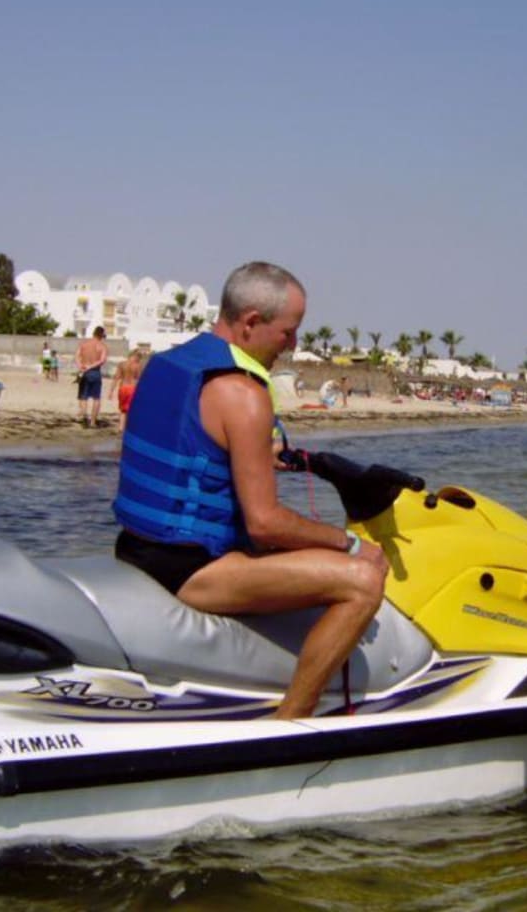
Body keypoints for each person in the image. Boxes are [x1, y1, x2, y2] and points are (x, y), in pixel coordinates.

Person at [111, 261, 388, 719]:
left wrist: (252, 454)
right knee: (363, 581)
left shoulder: (165, 365)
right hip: (190, 568)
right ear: (251, 322)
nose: (292, 345)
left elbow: (188, 445)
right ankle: (292, 721)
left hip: (136, 546)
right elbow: (264, 524)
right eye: (288, 332)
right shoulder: (243, 393)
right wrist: (352, 544)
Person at [75, 326, 108, 427]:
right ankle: (93, 422)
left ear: (93, 333)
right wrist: (90, 366)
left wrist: (80, 365)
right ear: (101, 335)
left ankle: (84, 416)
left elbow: (77, 356)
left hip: (84, 372)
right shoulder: (102, 346)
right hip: (95, 372)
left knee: (83, 396)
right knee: (96, 398)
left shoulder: (84, 344)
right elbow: (102, 360)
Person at [108, 347, 145, 432]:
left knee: (123, 410)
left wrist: (111, 391)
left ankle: (121, 427)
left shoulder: (122, 364)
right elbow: (140, 379)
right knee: (133, 409)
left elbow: (116, 378)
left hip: (123, 388)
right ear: (138, 357)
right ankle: (131, 427)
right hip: (133, 388)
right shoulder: (138, 366)